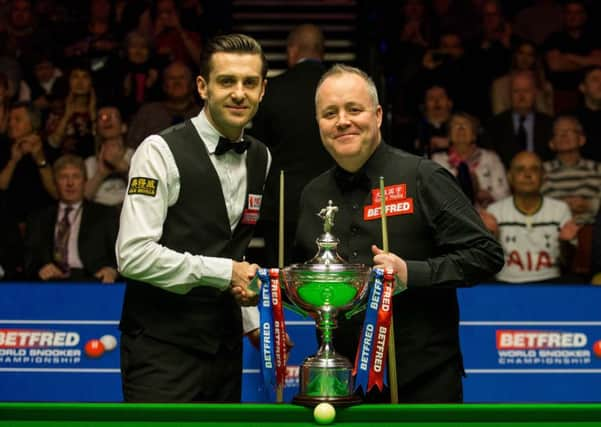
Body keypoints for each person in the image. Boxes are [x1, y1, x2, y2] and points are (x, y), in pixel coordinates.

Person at [293, 64, 504, 403]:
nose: (342, 120)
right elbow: (304, 277)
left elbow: (486, 253)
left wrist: (413, 273)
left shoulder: (423, 177)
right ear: (318, 123)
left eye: (354, 109)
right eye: (329, 113)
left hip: (423, 383)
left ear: (377, 115)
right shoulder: (312, 195)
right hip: (342, 387)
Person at [117, 33, 271, 403]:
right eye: (227, 81)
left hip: (224, 347)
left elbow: (231, 246)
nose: (239, 93)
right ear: (203, 87)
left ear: (263, 90)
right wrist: (224, 272)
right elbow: (133, 255)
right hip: (161, 349)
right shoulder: (159, 151)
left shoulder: (260, 157)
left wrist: (251, 321)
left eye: (250, 83)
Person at [248, 23, 332, 267]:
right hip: (333, 200)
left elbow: (259, 148)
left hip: (282, 202)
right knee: (328, 276)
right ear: (322, 51)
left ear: (292, 51)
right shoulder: (341, 89)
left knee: (282, 278)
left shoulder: (271, 90)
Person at [480, 151, 579, 283]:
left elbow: (568, 262)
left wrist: (565, 242)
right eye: (520, 169)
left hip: (551, 283)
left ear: (543, 176)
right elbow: (484, 263)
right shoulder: (495, 211)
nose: (527, 174)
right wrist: (489, 238)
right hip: (505, 284)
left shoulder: (560, 210)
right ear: (510, 177)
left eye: (534, 169)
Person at [24, 154, 119, 282]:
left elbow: (119, 255)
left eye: (76, 176)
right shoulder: (39, 218)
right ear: (55, 182)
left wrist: (112, 270)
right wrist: (41, 268)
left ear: (85, 181)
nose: (70, 183)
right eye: (63, 177)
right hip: (51, 282)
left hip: (93, 280)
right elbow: (29, 259)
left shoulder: (105, 214)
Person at [431, 112, 509, 208]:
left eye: (465, 125)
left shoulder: (491, 159)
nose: (460, 128)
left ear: (474, 135)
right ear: (449, 135)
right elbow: (432, 195)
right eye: (456, 125)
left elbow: (504, 194)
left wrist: (488, 196)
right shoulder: (437, 161)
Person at [481, 71, 554, 168]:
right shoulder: (494, 125)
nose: (521, 96)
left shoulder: (549, 125)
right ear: (509, 94)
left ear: (535, 93)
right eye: (516, 91)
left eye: (526, 91)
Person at [84, 105, 133, 207]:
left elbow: (151, 192)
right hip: (98, 215)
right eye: (101, 117)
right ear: (96, 128)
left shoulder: (137, 155)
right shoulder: (89, 162)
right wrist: (100, 174)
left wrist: (125, 171)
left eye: (113, 116)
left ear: (124, 127)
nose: (107, 120)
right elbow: (81, 200)